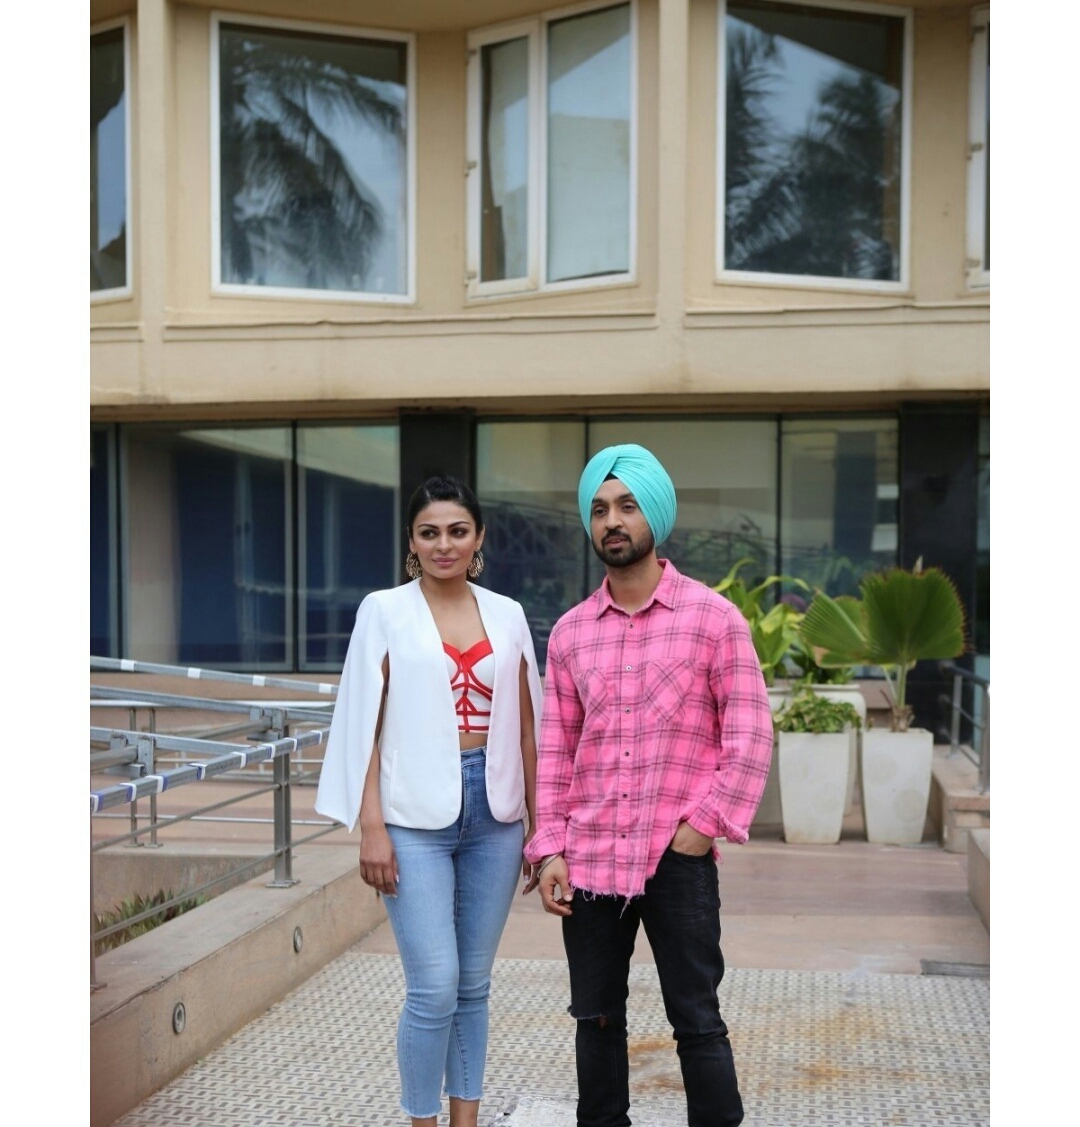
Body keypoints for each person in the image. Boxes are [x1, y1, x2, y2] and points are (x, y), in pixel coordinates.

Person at [524, 444, 774, 1127]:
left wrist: (702, 826)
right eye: (600, 508)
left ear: (654, 516)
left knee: (696, 1017)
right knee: (596, 1019)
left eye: (627, 505)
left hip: (676, 854)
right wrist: (550, 849)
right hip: (592, 858)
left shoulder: (712, 619)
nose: (613, 520)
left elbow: (750, 733)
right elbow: (556, 754)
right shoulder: (572, 634)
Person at [315, 475, 543, 1127]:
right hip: (411, 817)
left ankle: (465, 1122)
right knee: (435, 984)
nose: (445, 543)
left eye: (458, 530)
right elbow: (363, 720)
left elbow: (529, 725)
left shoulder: (508, 614)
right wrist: (371, 826)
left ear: (479, 539)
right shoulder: (383, 610)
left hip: (495, 816)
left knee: (473, 985)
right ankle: (421, 1119)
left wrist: (540, 825)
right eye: (429, 532)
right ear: (412, 543)